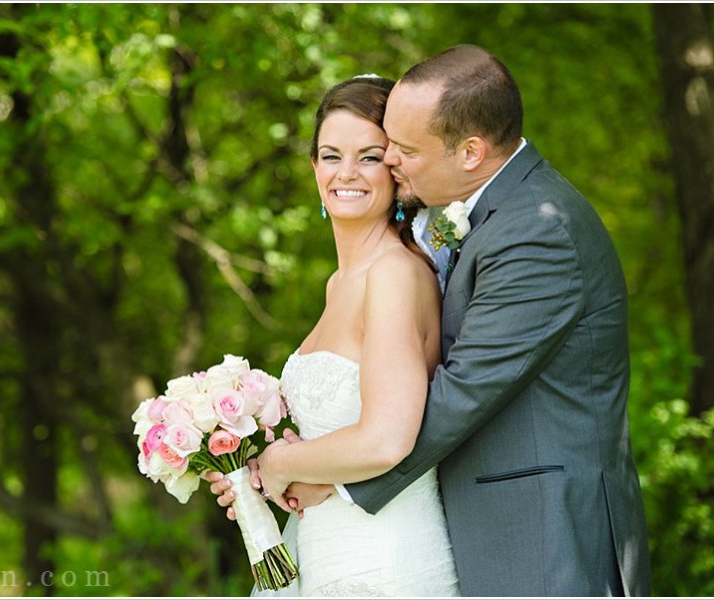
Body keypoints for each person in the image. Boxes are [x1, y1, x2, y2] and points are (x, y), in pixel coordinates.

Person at [214, 45, 652, 597]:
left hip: (542, 534)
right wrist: (255, 466)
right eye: (335, 154)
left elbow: (459, 393)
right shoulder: (478, 224)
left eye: (397, 151)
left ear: (470, 151)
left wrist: (318, 474)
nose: (391, 162)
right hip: (447, 531)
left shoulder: (537, 229)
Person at [208, 75, 461, 597]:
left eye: (369, 157)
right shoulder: (341, 281)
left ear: (396, 172)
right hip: (327, 559)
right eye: (330, 155)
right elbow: (333, 443)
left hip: (384, 563)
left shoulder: (394, 273)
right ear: (314, 168)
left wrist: (280, 463)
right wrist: (250, 473)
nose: (346, 173)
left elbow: (387, 438)